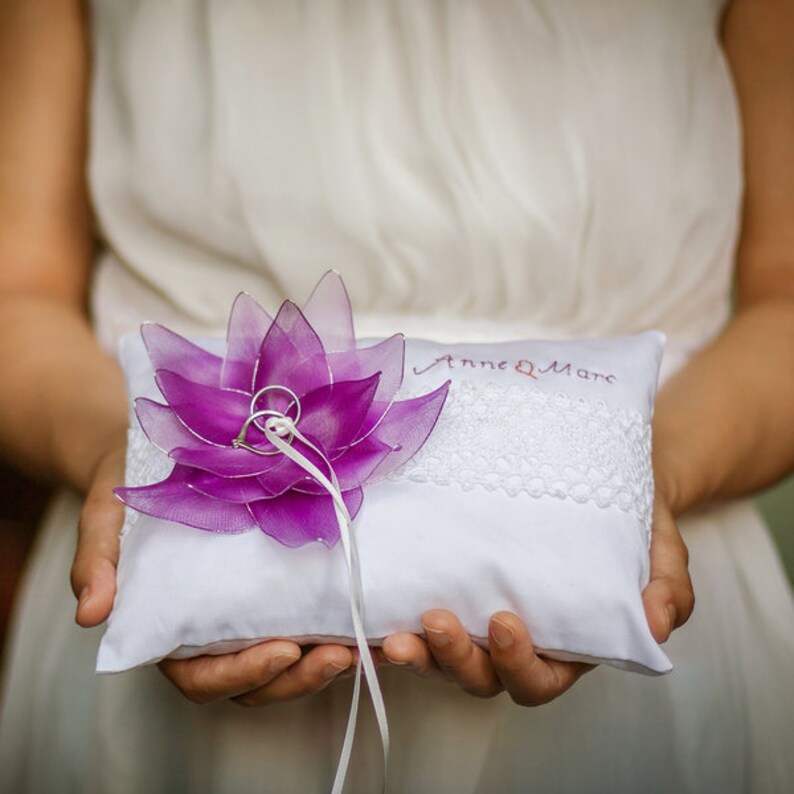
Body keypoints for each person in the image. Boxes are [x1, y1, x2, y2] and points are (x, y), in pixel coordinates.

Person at [1, 0, 793, 791]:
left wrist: (647, 475)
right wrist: (120, 449)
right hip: (161, 551)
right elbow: (19, 288)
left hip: (651, 562)